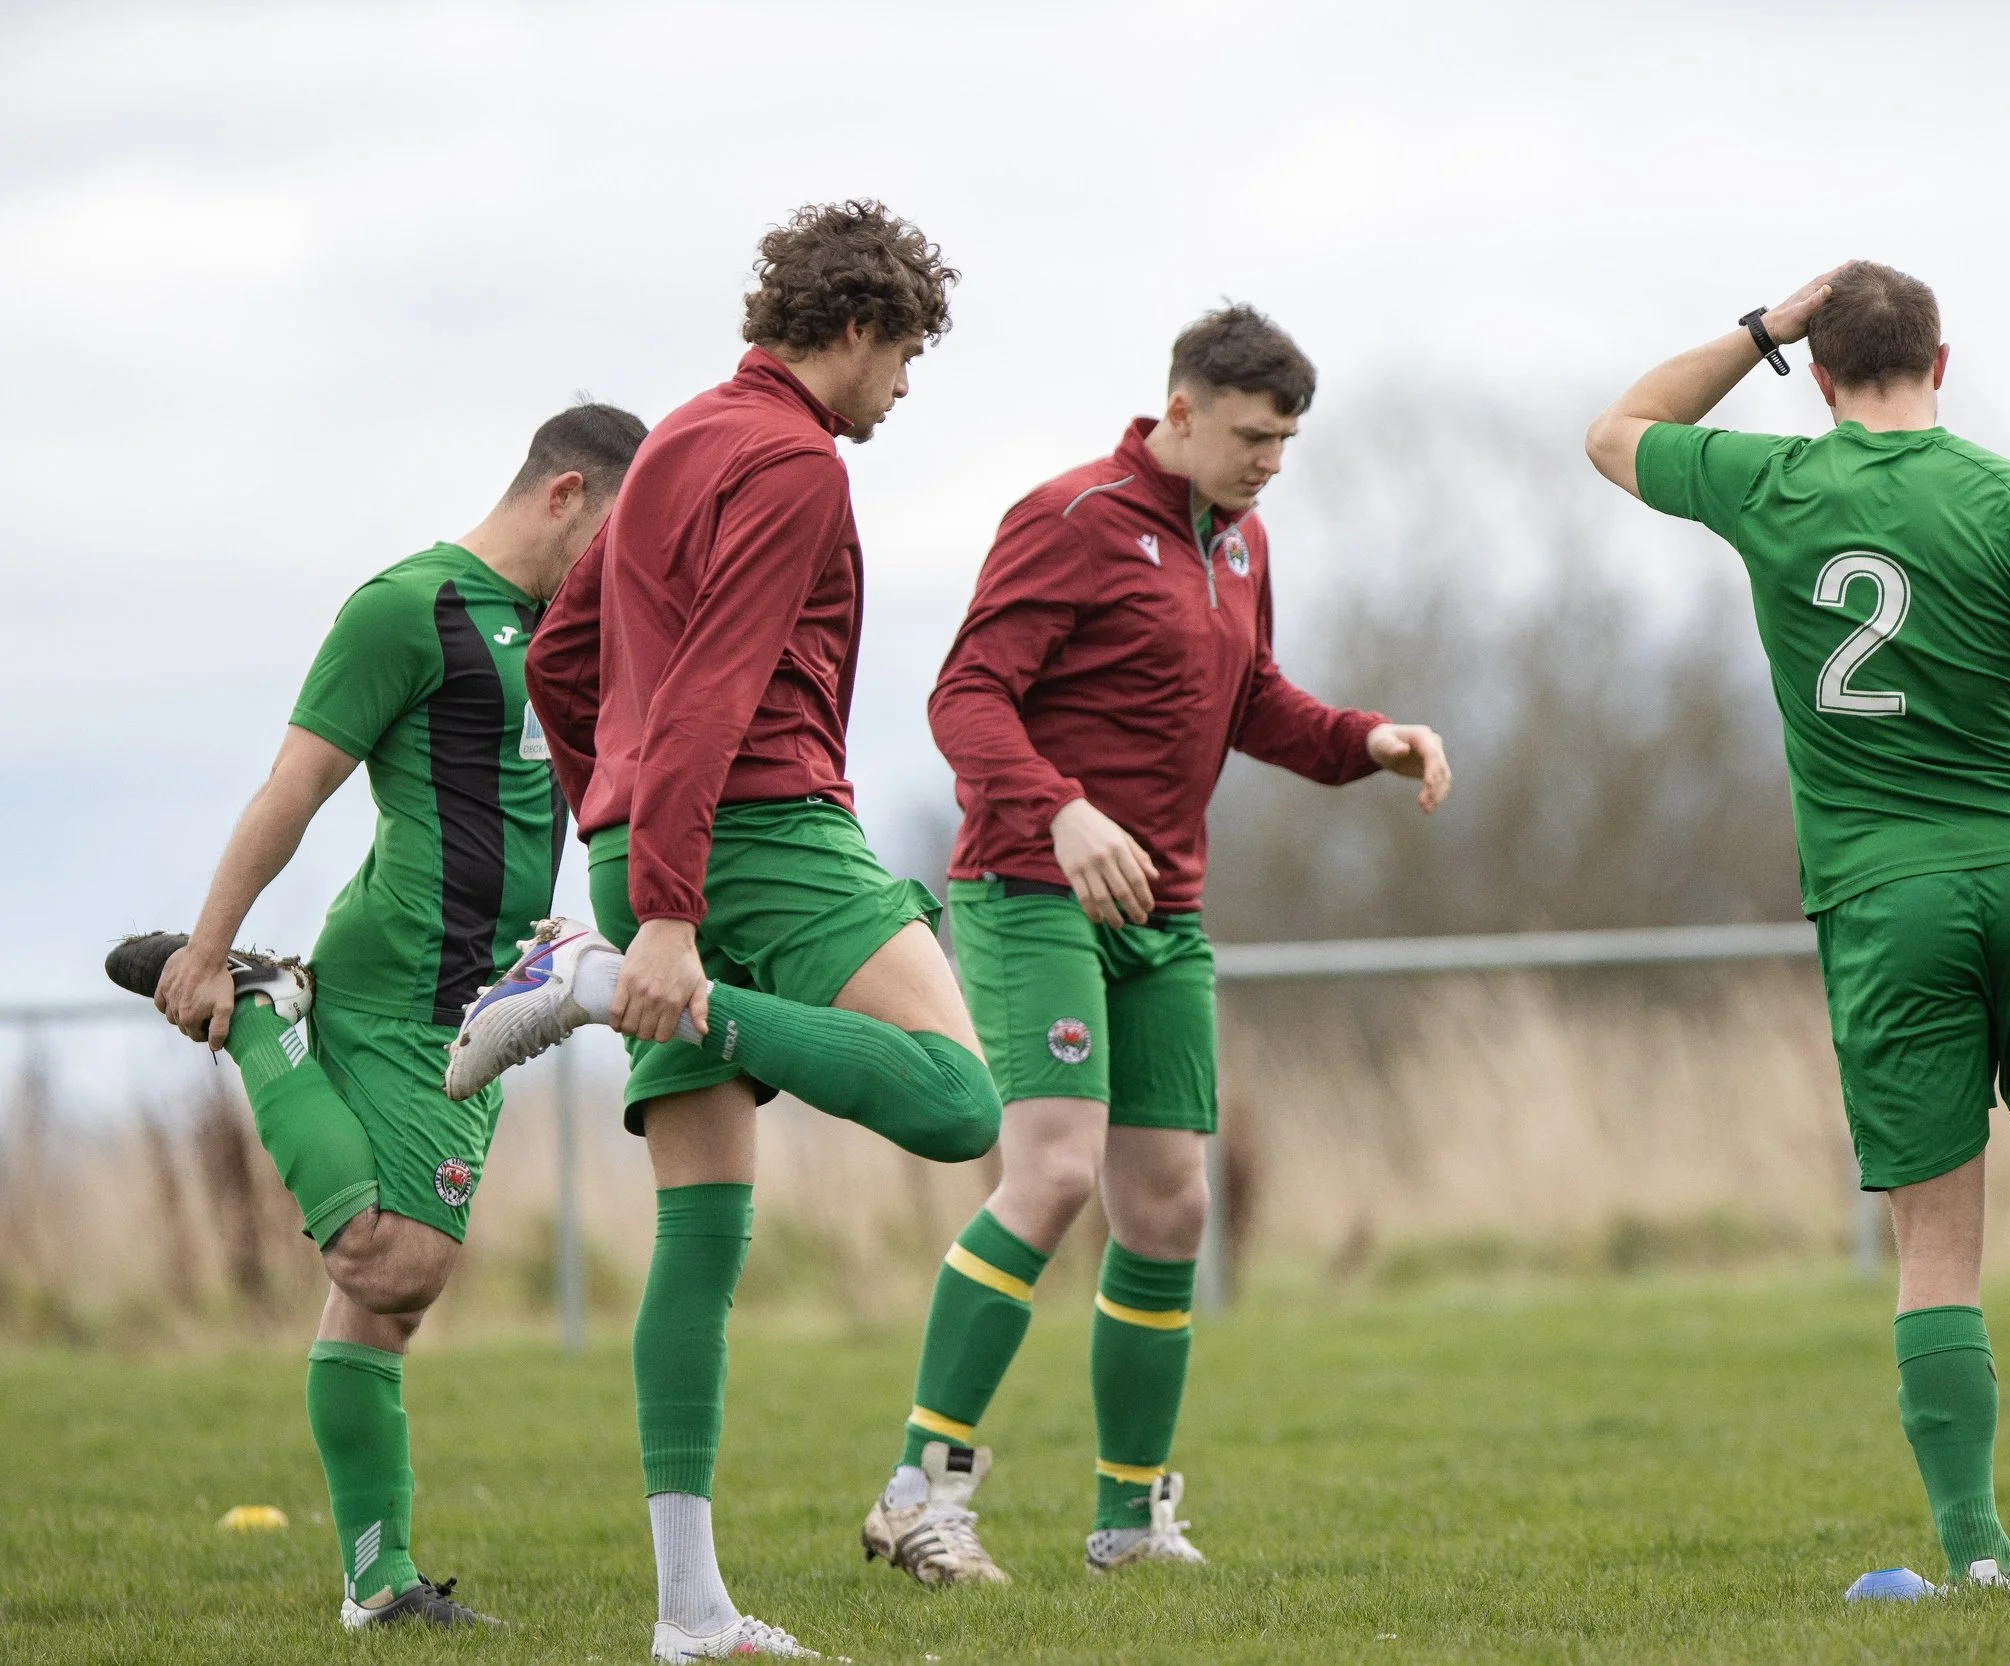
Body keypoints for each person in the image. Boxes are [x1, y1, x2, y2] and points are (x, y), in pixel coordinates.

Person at [1585, 261, 2010, 1593]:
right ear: (1943, 359)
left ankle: (1974, 1555)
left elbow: (1615, 430)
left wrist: (1760, 324)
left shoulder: (1770, 482)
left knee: (1937, 1244)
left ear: (1818, 376)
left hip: (1886, 901)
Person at [450, 201, 1000, 1662]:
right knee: (959, 1100)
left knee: (700, 1239)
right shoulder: (797, 462)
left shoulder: (682, 437)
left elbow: (567, 659)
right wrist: (672, 921)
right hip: (756, 837)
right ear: (858, 328)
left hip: (653, 846)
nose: (902, 387)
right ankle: (588, 979)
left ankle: (690, 1613)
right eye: (906, 355)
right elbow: (712, 690)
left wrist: (616, 836)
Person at [858, 304, 1453, 1585]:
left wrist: (1366, 741)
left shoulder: (1241, 546)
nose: (1268, 461)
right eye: (1250, 435)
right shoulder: (1067, 519)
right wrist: (1061, 812)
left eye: (1286, 441)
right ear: (1178, 411)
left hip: (1164, 917)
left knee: (1173, 1207)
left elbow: (1256, 705)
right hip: (1029, 889)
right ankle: (920, 1489)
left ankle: (1128, 1520)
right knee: (1056, 1171)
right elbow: (962, 697)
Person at [105, 402, 649, 1630]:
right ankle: (256, 1009)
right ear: (565, 494)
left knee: (383, 1308)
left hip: (492, 995)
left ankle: (378, 1587)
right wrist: (203, 949)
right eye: (617, 533)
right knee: (396, 1257)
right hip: (402, 976)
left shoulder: (572, 632)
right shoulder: (407, 607)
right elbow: (294, 786)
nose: (624, 570)